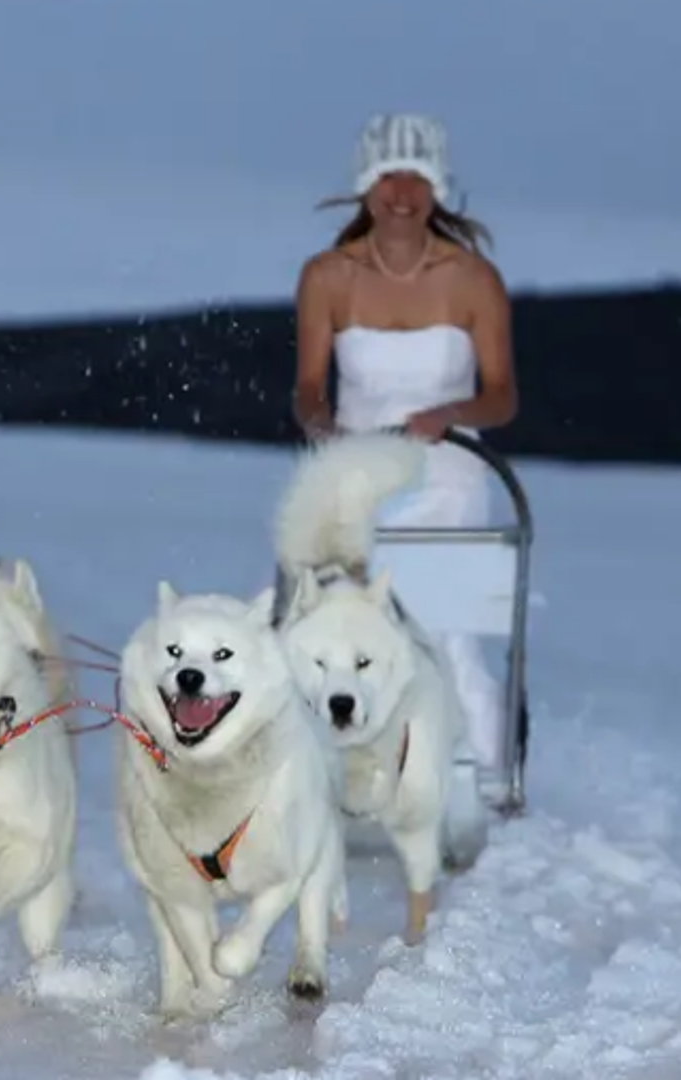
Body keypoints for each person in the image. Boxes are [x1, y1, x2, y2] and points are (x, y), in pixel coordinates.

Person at [290, 111, 519, 778]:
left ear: (437, 187)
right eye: (386, 176)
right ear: (363, 185)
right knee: (331, 631)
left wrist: (451, 412)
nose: (399, 191)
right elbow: (308, 388)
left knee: (446, 640)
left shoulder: (473, 280)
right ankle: (325, 778)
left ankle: (482, 786)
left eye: (415, 177)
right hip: (359, 481)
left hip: (448, 479)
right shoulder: (326, 277)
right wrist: (322, 429)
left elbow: (502, 395)